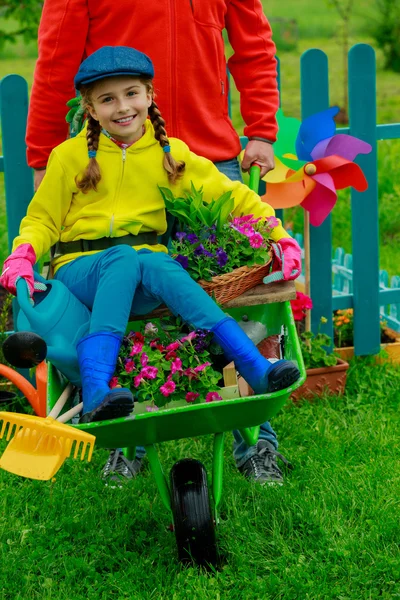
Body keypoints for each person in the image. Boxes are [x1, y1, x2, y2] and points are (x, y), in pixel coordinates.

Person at [12, 46, 300, 485]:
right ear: (90, 108)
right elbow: (42, 219)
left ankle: (253, 368)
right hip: (80, 270)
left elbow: (231, 196)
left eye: (131, 94)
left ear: (149, 96)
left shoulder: (171, 154)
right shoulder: (69, 157)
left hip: (142, 270)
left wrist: (277, 234)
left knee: (157, 263)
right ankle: (95, 388)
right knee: (127, 257)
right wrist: (24, 253)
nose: (122, 107)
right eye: (107, 99)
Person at [27, 0, 278, 191]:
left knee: (230, 260)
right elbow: (55, 67)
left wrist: (262, 132)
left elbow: (255, 51)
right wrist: (43, 159)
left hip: (210, 160)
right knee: (124, 261)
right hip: (118, 163)